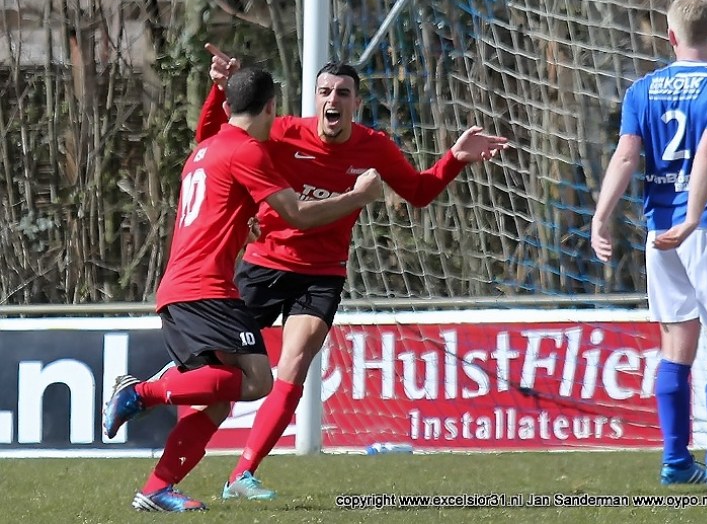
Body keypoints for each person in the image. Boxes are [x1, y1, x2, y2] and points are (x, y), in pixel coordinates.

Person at [193, 44, 509, 500]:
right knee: (220, 371)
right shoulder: (279, 133)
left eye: (343, 92)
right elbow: (213, 141)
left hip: (322, 273)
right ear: (314, 98)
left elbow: (417, 192)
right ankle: (162, 414)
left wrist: (455, 159)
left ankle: (242, 474)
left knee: (295, 363)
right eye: (325, 91)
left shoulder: (373, 146)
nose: (332, 100)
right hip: (263, 265)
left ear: (355, 103)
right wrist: (217, 89)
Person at [102, 66, 383, 512]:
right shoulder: (247, 151)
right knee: (256, 381)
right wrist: (358, 196)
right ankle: (141, 392)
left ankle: (156, 488)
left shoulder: (206, 150)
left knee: (218, 398)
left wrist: (243, 228)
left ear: (229, 106)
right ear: (271, 106)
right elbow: (298, 215)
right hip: (206, 289)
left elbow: (219, 208)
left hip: (185, 285)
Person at [590, 0, 707, 486]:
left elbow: (626, 157)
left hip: (659, 232)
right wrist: (693, 216)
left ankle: (675, 461)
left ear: (670, 36)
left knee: (675, 346)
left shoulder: (642, 89)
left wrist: (600, 218)